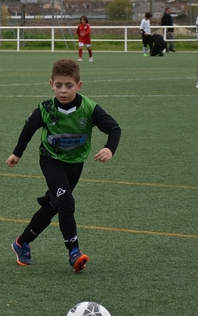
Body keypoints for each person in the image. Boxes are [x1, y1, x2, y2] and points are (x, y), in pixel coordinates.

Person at [8, 59, 121, 274]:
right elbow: (29, 129)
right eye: (58, 85)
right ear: (51, 84)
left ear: (78, 86)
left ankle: (22, 243)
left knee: (53, 206)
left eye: (68, 86)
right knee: (66, 202)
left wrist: (109, 148)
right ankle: (74, 252)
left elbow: (114, 128)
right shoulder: (46, 108)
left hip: (75, 164)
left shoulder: (89, 108)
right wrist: (17, 153)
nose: (63, 91)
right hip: (51, 160)